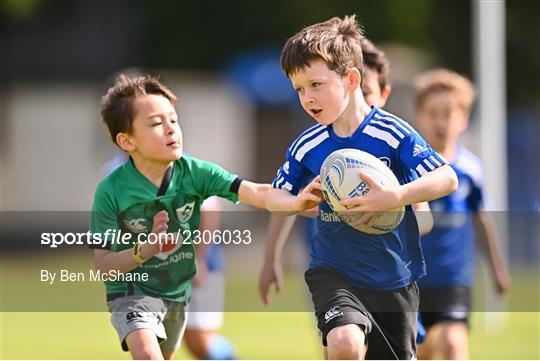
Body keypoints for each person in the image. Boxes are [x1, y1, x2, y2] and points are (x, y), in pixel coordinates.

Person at [265, 15, 458, 360]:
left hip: (394, 277)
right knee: (344, 344)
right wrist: (295, 202)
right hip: (334, 270)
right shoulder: (306, 145)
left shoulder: (392, 133)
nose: (307, 98)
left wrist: (397, 195)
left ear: (351, 79)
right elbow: (274, 196)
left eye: (315, 84)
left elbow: (446, 178)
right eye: (299, 89)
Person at [90, 74, 277, 359]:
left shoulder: (191, 170)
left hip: (183, 280)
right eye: (155, 123)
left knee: (197, 343)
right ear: (126, 140)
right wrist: (145, 250)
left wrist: (298, 200)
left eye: (174, 120)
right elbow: (104, 266)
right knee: (149, 354)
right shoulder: (111, 184)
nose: (170, 130)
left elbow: (247, 195)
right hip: (133, 288)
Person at [413, 69, 511, 360]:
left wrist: (496, 268)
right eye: (432, 113)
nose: (441, 121)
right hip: (411, 279)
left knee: (454, 345)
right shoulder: (408, 167)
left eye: (448, 113)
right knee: (422, 352)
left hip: (453, 278)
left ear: (464, 119)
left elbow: (482, 219)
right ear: (419, 116)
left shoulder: (470, 170)